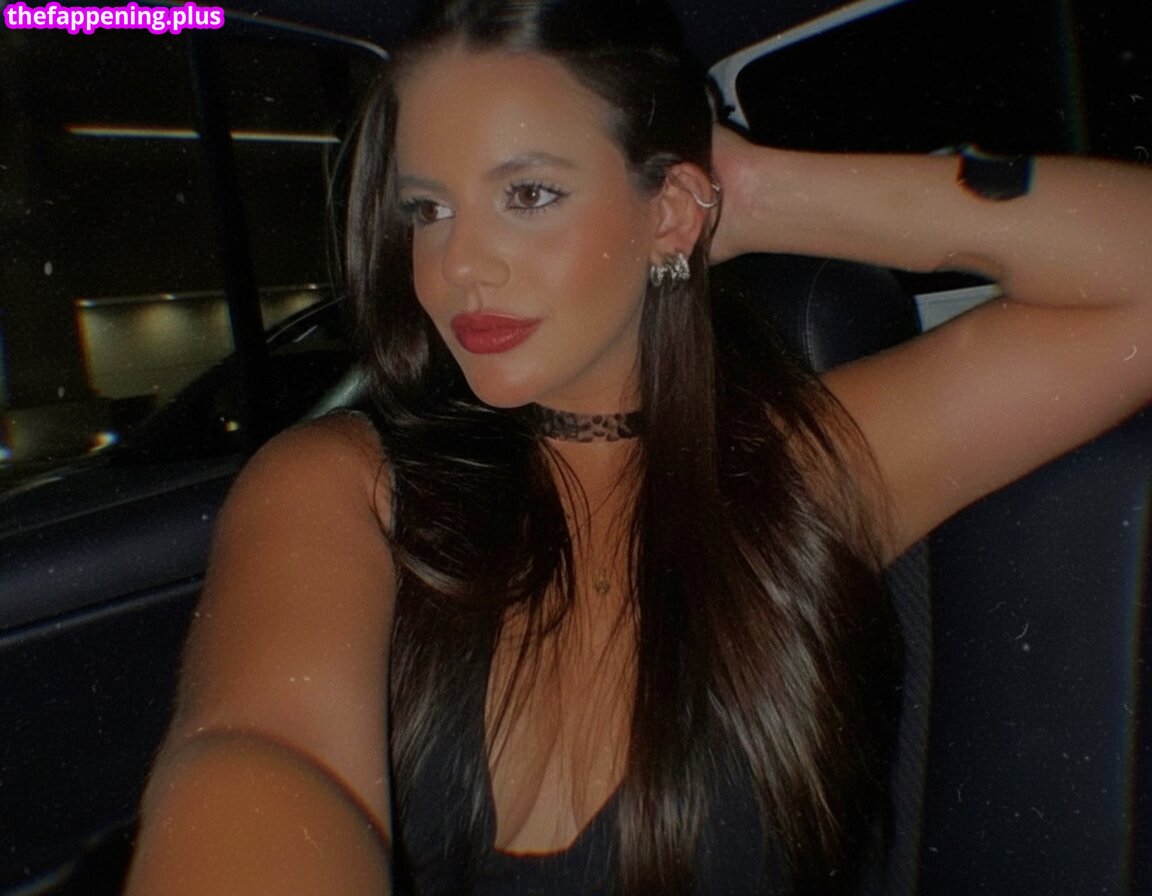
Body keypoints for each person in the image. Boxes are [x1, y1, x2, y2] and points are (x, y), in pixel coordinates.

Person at [124, 0, 1152, 893]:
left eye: (528, 194)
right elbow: (256, 754)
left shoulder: (801, 471)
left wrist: (755, 193)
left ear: (668, 212)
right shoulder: (341, 483)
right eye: (427, 209)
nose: (459, 263)